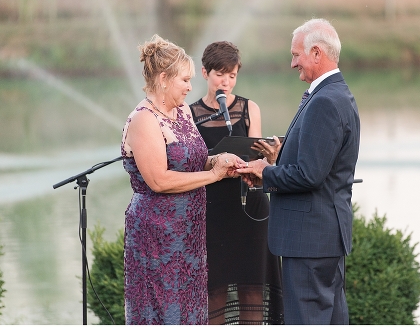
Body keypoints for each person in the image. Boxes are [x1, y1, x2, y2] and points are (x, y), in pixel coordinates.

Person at [237, 18, 360, 325]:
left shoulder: (325, 102)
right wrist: (274, 167)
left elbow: (309, 175)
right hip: (323, 237)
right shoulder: (337, 94)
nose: (292, 63)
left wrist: (266, 172)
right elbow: (318, 169)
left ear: (317, 53)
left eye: (296, 55)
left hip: (310, 241)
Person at [121, 34, 243, 324]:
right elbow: (159, 181)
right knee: (162, 311)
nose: (191, 87)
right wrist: (213, 175)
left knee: (189, 309)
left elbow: (193, 161)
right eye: (184, 80)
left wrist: (219, 161)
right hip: (157, 234)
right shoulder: (144, 119)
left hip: (189, 232)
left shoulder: (184, 112)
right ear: (163, 79)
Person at [189, 41, 284, 324]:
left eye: (232, 75)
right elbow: (191, 163)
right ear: (205, 73)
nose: (226, 82)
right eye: (220, 74)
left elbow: (258, 157)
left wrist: (270, 158)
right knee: (213, 289)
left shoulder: (248, 108)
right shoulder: (189, 114)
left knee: (253, 286)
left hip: (250, 207)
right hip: (212, 209)